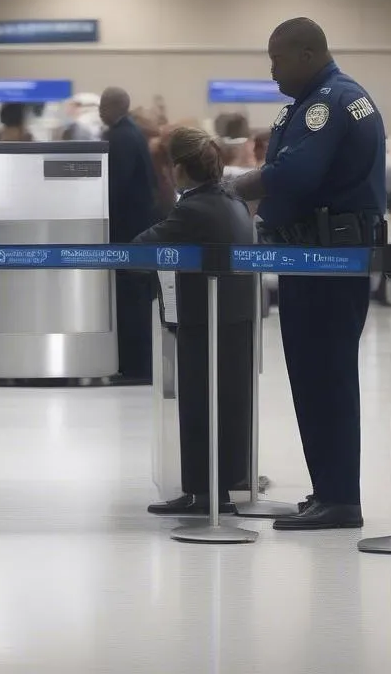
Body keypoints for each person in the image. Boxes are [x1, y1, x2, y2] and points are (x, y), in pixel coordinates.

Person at [232, 17, 385, 531]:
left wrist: (241, 185)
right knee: (317, 378)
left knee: (326, 378)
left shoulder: (327, 104)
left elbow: (296, 175)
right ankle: (328, 490)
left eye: (276, 58)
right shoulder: (321, 100)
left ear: (305, 53)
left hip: (326, 260)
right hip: (313, 257)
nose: (271, 70)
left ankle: (340, 499)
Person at [132, 127, 254, 516]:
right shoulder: (231, 200)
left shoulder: (192, 209)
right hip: (235, 317)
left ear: (180, 168)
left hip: (205, 318)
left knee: (200, 404)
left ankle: (204, 495)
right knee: (227, 405)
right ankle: (214, 489)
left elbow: (140, 248)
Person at [100, 86, 159, 383]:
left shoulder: (119, 137)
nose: (100, 111)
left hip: (126, 233)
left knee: (129, 302)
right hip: (137, 229)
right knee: (135, 300)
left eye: (103, 104)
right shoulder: (132, 133)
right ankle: (137, 366)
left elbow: (115, 188)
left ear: (114, 106)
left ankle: (135, 368)